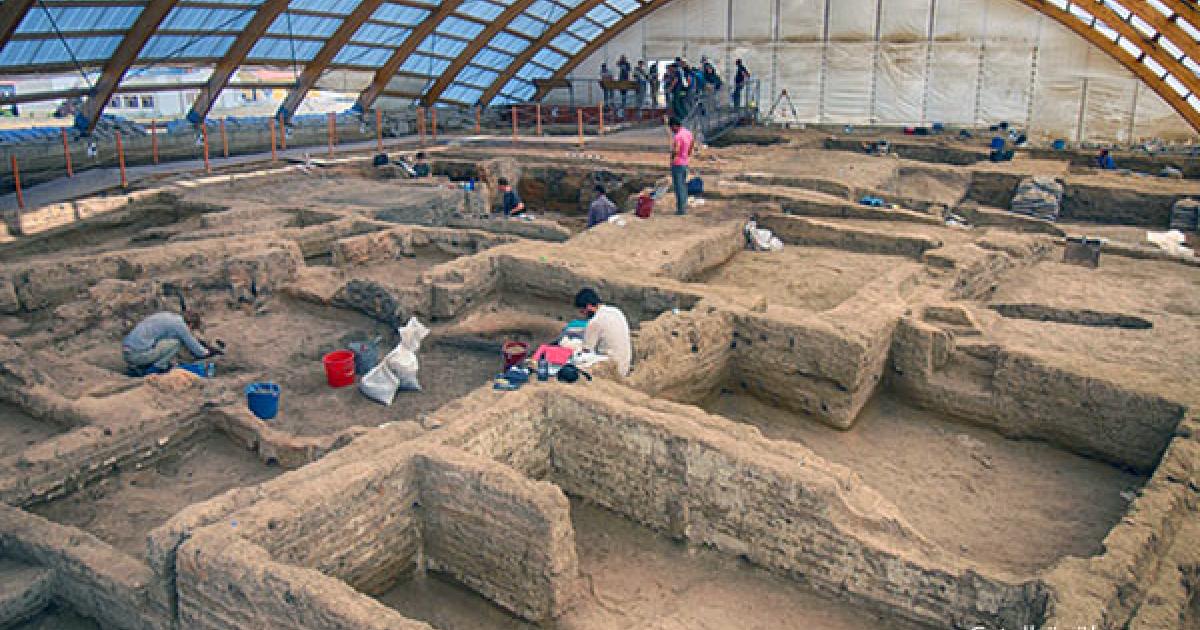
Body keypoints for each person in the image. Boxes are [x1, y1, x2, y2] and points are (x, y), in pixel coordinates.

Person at [123, 311, 220, 374]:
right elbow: (198, 351)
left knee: (165, 343)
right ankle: (158, 367)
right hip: (137, 355)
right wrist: (210, 352)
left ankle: (143, 365)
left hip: (128, 352)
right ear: (190, 324)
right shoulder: (180, 325)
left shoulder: (169, 317)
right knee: (176, 343)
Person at [574, 288, 631, 377]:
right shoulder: (616, 311)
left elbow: (586, 350)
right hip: (625, 366)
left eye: (582, 311)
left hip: (612, 368)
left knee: (577, 359)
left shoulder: (595, 321)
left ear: (588, 306)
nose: (583, 314)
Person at [668, 117, 695, 215]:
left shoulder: (678, 136)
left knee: (678, 187)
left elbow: (676, 150)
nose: (671, 130)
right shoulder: (688, 133)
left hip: (677, 164)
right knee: (683, 185)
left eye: (671, 128)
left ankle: (681, 209)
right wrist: (688, 154)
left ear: (675, 126)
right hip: (685, 162)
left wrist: (672, 158)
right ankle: (684, 206)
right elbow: (692, 143)